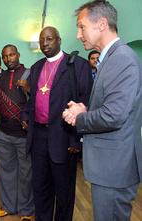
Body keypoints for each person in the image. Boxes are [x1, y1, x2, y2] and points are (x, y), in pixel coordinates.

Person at [62, 1, 142, 220]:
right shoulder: (111, 58)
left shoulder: (122, 59)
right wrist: (85, 109)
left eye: (82, 26)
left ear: (102, 24)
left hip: (114, 169)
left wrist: (80, 117)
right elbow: (113, 107)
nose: (78, 35)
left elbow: (113, 116)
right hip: (109, 167)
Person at [20, 27, 93, 221]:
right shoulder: (35, 68)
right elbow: (33, 97)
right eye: (42, 40)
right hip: (39, 138)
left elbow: (85, 103)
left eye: (49, 39)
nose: (45, 43)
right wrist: (26, 116)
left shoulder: (77, 65)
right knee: (41, 189)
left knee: (64, 192)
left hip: (63, 136)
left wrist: (76, 139)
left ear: (59, 41)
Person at [0, 45, 34, 221]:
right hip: (2, 134)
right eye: (5, 57)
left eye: (11, 55)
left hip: (24, 136)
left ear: (18, 55)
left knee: (26, 175)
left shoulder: (30, 74)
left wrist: (29, 88)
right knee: (6, 172)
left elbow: (40, 101)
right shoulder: (1, 77)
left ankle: (26, 210)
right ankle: (9, 206)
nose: (9, 59)